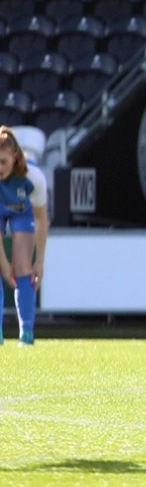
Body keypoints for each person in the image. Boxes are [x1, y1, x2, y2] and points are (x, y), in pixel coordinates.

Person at [0, 128, 47, 346]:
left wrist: (40, 261)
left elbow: (41, 219)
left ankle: (26, 334)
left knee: (22, 265)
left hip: (23, 211)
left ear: (16, 158)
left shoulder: (33, 177)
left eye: (3, 162)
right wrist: (3, 264)